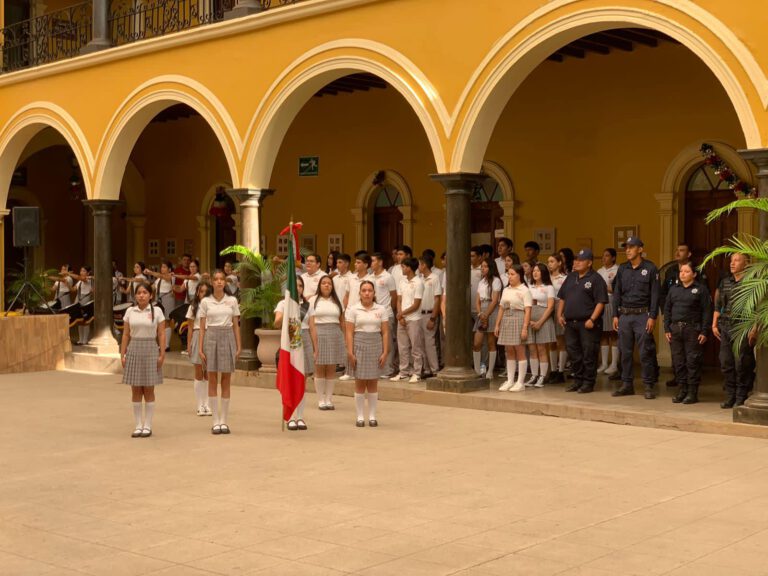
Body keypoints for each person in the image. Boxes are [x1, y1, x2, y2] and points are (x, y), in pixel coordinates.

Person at [612, 237, 660, 399]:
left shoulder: (650, 268)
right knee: (624, 352)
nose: (628, 250)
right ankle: (626, 384)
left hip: (642, 315)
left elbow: (655, 294)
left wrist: (653, 316)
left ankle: (648, 384)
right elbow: (617, 292)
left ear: (640, 249)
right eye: (626, 247)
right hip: (625, 315)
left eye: (631, 247)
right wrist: (615, 315)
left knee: (645, 351)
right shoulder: (622, 269)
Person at [557, 249, 608, 394]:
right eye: (576, 260)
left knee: (589, 353)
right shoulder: (571, 277)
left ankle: (588, 382)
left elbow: (601, 301)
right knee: (573, 353)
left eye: (581, 260)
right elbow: (562, 297)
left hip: (588, 323)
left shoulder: (596, 278)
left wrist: (592, 318)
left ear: (589, 262)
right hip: (570, 323)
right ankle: (577, 380)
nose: (577, 262)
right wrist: (560, 314)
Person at [120, 281, 165, 438]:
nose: (141, 295)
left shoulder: (157, 311)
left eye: (145, 292)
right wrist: (122, 353)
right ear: (135, 295)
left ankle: (148, 425)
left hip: (151, 348)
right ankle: (138, 424)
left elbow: (161, 334)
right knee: (136, 388)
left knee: (149, 388)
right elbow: (126, 334)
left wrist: (162, 354)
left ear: (150, 295)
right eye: (139, 293)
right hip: (134, 349)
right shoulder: (130, 311)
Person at [199, 270, 242, 435]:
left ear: (225, 282)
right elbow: (202, 327)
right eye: (215, 279)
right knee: (211, 378)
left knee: (225, 379)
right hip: (211, 337)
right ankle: (215, 420)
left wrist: (239, 346)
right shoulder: (205, 302)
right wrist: (201, 347)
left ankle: (224, 420)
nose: (218, 282)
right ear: (211, 282)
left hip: (227, 335)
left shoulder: (232, 300)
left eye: (221, 279)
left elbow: (236, 325)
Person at [663, 262, 712, 405]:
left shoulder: (700, 290)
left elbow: (707, 311)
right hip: (675, 330)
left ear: (694, 274)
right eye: (681, 271)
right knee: (678, 362)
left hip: (692, 330)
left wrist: (704, 331)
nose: (682, 274)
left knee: (692, 362)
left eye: (686, 271)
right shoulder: (673, 290)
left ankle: (692, 392)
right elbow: (667, 310)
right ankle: (682, 390)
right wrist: (667, 328)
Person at [659, 243, 707, 388]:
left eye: (682, 250)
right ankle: (681, 384)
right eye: (677, 250)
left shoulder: (699, 280)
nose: (678, 253)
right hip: (675, 324)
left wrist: (704, 329)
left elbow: (706, 307)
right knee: (678, 358)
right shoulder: (671, 273)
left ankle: (692, 388)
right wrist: (667, 322)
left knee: (692, 359)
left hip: (692, 325)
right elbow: (664, 296)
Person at [713, 253, 756, 408]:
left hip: (742, 327)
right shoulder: (725, 282)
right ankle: (730, 395)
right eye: (731, 261)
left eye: (737, 261)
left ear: (745, 264)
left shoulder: (751, 283)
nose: (732, 264)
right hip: (725, 326)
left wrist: (754, 328)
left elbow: (756, 308)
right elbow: (718, 305)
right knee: (726, 362)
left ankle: (741, 395)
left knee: (742, 363)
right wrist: (714, 324)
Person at [345, 280, 390, 427]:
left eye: (370, 290)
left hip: (375, 345)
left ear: (374, 293)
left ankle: (372, 416)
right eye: (364, 290)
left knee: (373, 383)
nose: (367, 293)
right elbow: (349, 332)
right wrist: (350, 352)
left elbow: (385, 332)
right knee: (360, 382)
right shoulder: (353, 309)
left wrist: (385, 351)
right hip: (359, 345)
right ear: (359, 293)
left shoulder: (381, 309)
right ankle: (359, 416)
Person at [274, 275, 311, 430]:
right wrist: (284, 315)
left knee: (302, 379)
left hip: (305, 342)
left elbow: (313, 327)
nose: (298, 288)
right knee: (289, 379)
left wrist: (315, 348)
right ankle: (290, 416)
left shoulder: (308, 305)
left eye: (300, 286)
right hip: (289, 343)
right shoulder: (283, 303)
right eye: (295, 286)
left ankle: (300, 416)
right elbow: (276, 323)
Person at [494, 264, 532, 392]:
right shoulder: (506, 290)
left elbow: (527, 310)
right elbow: (501, 308)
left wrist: (525, 328)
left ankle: (520, 382)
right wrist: (497, 324)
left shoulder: (524, 290)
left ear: (519, 275)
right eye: (508, 274)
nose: (509, 277)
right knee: (508, 350)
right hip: (507, 319)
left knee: (520, 350)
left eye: (512, 274)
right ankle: (510, 380)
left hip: (519, 318)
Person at [309, 275, 345, 410]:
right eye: (323, 283)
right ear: (319, 285)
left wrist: (344, 339)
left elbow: (342, 320)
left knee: (331, 368)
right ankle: (321, 400)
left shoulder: (337, 300)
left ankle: (329, 399)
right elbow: (311, 321)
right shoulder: (313, 300)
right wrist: (314, 341)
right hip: (319, 333)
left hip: (335, 333)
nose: (326, 285)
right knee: (319, 367)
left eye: (329, 283)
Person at [391, 257, 424, 383]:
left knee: (416, 347)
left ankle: (417, 372)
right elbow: (399, 299)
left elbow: (416, 304)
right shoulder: (402, 282)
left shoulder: (418, 282)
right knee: (402, 347)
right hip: (403, 319)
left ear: (410, 268)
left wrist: (401, 314)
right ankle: (404, 371)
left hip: (414, 318)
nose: (402, 269)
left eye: (404, 267)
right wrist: (400, 315)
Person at [526, 263, 557, 387]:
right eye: (534, 271)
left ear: (543, 273)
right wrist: (528, 321)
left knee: (542, 349)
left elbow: (550, 307)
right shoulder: (529, 286)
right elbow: (527, 304)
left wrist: (539, 322)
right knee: (532, 349)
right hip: (530, 319)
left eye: (538, 271)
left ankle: (543, 376)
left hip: (543, 319)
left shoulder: (549, 287)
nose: (535, 273)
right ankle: (534, 375)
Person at [186, 280, 213, 416]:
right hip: (197, 335)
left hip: (210, 335)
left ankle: (207, 404)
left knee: (208, 372)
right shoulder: (193, 307)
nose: (203, 294)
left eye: (206, 292)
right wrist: (189, 345)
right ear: (197, 292)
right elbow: (190, 327)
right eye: (201, 291)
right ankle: (199, 405)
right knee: (198, 372)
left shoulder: (212, 306)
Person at [473, 257, 501, 378]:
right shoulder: (481, 282)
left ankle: (490, 371)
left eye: (485, 266)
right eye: (482, 267)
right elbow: (477, 301)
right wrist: (480, 314)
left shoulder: (496, 280)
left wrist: (486, 315)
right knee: (477, 342)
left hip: (492, 310)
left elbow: (495, 300)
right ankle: (477, 370)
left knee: (491, 342)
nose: (482, 269)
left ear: (490, 268)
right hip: (482, 310)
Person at [371, 252, 398, 378]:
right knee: (376, 341)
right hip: (372, 314)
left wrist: (388, 310)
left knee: (388, 342)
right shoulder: (370, 277)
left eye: (373, 261)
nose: (371, 264)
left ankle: (388, 368)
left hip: (386, 313)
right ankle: (377, 367)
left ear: (380, 262)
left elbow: (394, 296)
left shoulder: (388, 277)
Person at [418, 255, 442, 378]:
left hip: (429, 313)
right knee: (421, 343)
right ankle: (426, 369)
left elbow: (437, 299)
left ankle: (435, 369)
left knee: (430, 343)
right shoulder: (420, 279)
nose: (418, 267)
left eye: (419, 264)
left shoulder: (435, 278)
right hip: (419, 313)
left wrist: (433, 317)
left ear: (424, 265)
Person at [596, 248, 619, 375]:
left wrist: (607, 288)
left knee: (613, 333)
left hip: (612, 301)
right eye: (603, 256)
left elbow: (616, 289)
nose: (604, 258)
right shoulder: (599, 271)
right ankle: (604, 363)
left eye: (607, 256)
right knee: (603, 334)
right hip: (601, 303)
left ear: (613, 258)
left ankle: (614, 363)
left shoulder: (618, 270)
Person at [545, 253, 568, 383]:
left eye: (552, 261)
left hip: (560, 306)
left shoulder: (564, 278)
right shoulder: (546, 278)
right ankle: (553, 370)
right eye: (548, 261)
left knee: (560, 341)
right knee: (551, 341)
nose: (550, 264)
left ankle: (561, 371)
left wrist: (563, 312)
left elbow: (567, 296)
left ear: (559, 263)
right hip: (549, 307)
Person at [143, 261, 175, 352]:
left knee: (167, 320)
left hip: (167, 298)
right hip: (158, 299)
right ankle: (161, 343)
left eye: (164, 267)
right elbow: (152, 287)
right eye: (161, 267)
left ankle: (166, 345)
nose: (162, 269)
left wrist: (151, 272)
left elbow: (165, 277)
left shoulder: (171, 276)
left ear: (169, 269)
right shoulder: (158, 279)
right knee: (159, 321)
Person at [72, 266, 94, 345]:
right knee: (79, 320)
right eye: (81, 271)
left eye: (84, 271)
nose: (81, 272)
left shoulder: (88, 279)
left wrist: (68, 273)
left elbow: (80, 278)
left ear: (88, 273)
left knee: (85, 320)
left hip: (85, 300)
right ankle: (80, 339)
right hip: (78, 299)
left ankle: (85, 339)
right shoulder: (79, 282)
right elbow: (73, 289)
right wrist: (67, 283)